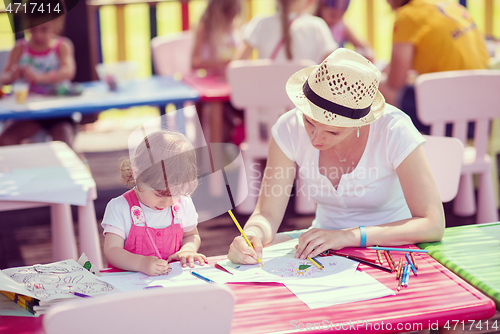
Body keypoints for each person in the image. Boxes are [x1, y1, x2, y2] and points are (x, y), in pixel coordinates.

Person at [228, 48, 444, 265]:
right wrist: (252, 235)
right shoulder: (288, 127)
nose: (315, 139)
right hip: (323, 246)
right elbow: (267, 213)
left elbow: (432, 224)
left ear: (361, 122)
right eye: (309, 121)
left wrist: (348, 236)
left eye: (333, 132)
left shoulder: (393, 129)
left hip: (393, 249)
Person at [102, 130, 207, 276]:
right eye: (159, 193)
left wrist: (187, 250)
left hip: (171, 285)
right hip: (129, 286)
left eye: (175, 194)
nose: (168, 202)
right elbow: (112, 251)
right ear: (137, 175)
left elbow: (191, 235)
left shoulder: (183, 203)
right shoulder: (120, 207)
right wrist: (141, 263)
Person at [378, 0, 489, 134]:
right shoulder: (451, 6)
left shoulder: (407, 16)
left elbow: (395, 83)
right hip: (484, 114)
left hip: (452, 119)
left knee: (374, 88)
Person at [0, 14, 77, 147]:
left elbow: (68, 71)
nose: (38, 35)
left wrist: (39, 78)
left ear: (54, 25)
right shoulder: (20, 48)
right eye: (33, 30)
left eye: (44, 29)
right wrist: (12, 76)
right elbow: (4, 78)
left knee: (64, 142)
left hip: (58, 111)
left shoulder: (62, 45)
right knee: (5, 140)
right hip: (29, 113)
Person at [234, 0, 338, 64]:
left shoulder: (260, 23)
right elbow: (334, 65)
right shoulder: (317, 26)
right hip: (302, 99)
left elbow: (236, 64)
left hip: (265, 98)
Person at [191, 0, 242, 76]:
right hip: (210, 79)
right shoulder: (205, 29)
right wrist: (224, 64)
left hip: (230, 77)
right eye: (230, 14)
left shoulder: (232, 28)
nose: (232, 18)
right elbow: (195, 63)